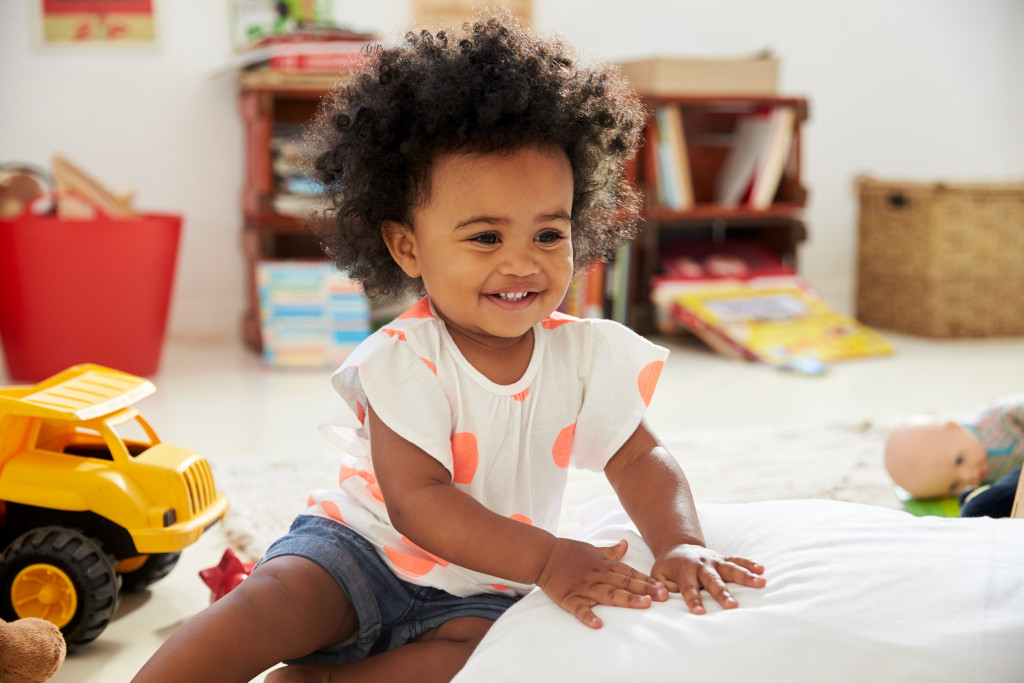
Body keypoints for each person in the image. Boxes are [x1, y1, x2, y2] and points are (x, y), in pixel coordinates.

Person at [133, 12, 766, 683]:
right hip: (361, 553)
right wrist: (552, 558)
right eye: (486, 238)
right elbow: (419, 500)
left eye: (549, 234)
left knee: (493, 660)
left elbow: (642, 455)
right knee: (274, 599)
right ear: (408, 245)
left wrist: (681, 540)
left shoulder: (585, 358)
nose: (523, 262)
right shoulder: (405, 358)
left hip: (483, 588)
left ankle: (316, 679)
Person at [884, 395, 1024, 514]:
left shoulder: (994, 420)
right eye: (954, 486)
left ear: (955, 427)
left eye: (959, 460)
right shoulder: (979, 487)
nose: (968, 476)